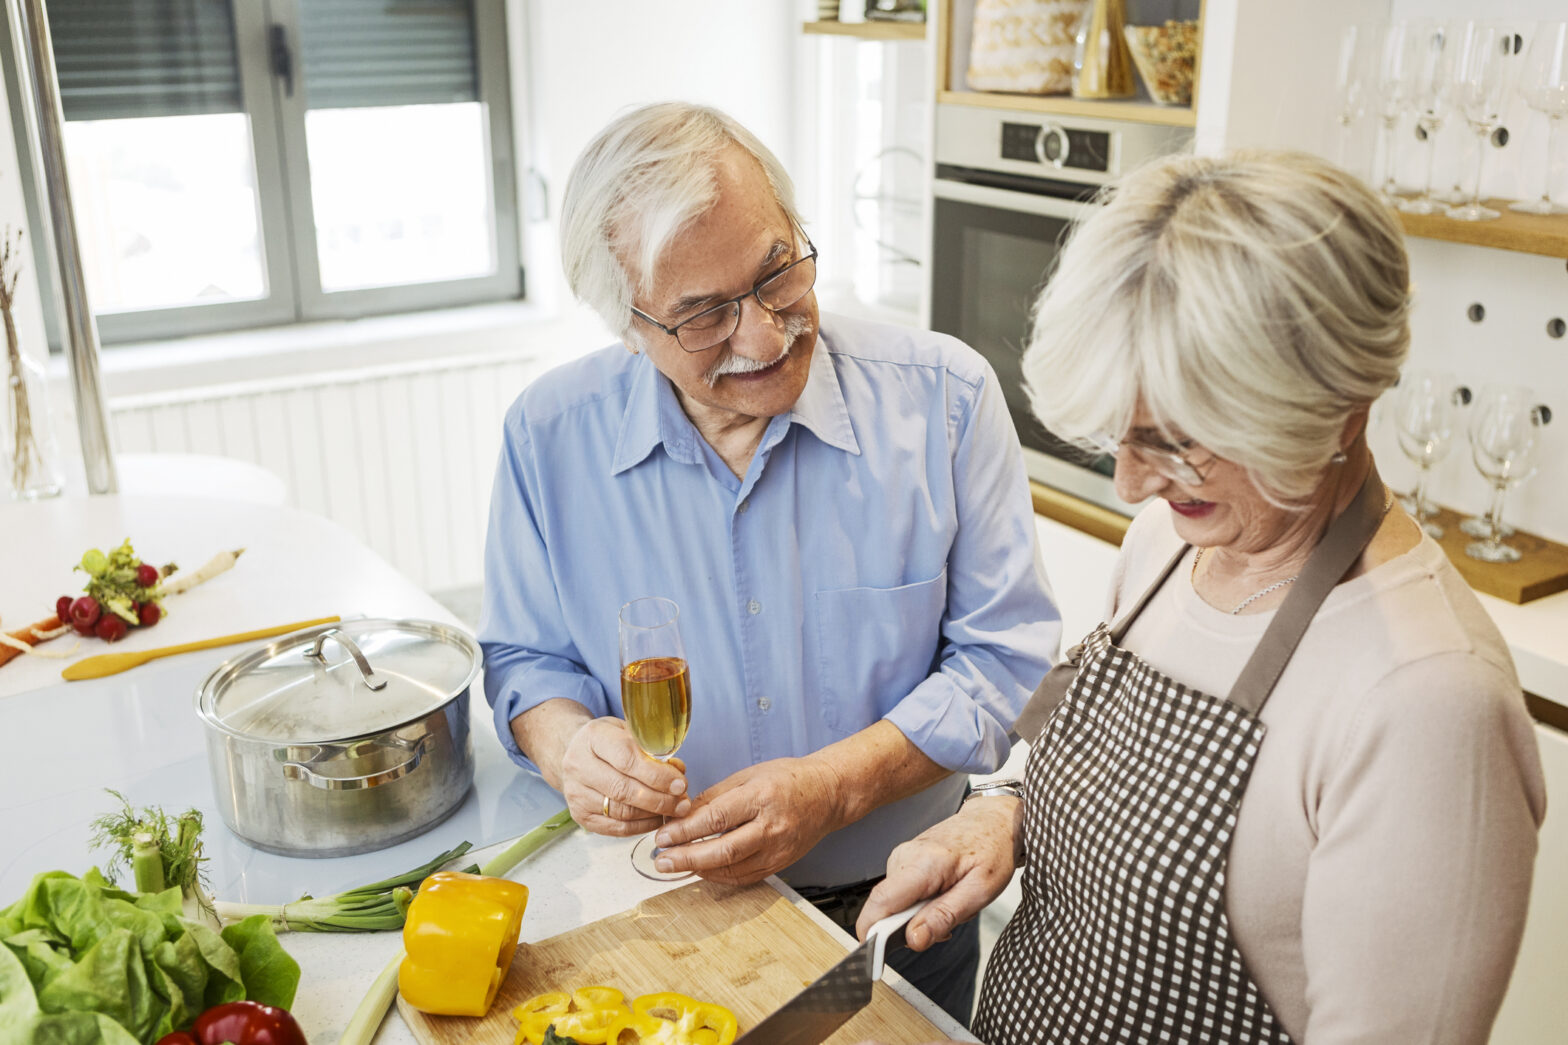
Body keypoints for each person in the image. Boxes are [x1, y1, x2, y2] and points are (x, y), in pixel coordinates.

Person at [854, 149, 1547, 1044]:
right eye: (1122, 433)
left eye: (1179, 441)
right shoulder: (1167, 546)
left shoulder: (1427, 699)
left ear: (1333, 405)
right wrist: (1004, 811)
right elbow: (1111, 772)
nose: (1132, 484)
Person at [477, 101, 1061, 1024]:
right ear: (627, 326)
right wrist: (567, 746)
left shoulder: (945, 400)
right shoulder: (547, 436)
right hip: (657, 910)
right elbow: (523, 657)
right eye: (704, 316)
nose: (763, 334)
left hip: (894, 916)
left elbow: (1002, 660)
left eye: (776, 272)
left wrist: (836, 786)